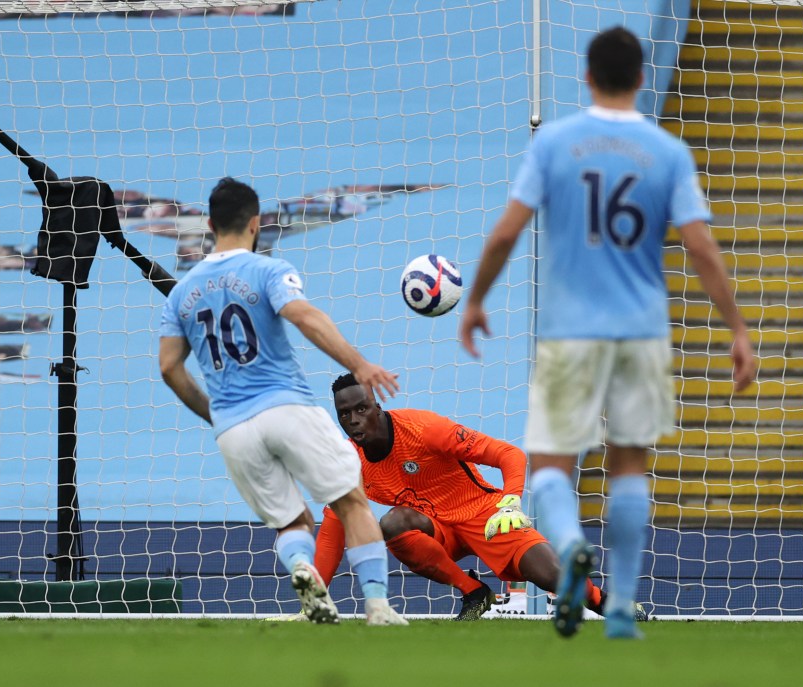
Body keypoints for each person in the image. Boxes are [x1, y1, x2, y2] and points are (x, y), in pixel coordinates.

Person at [460, 26, 757, 640]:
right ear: (642, 80)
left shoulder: (558, 145)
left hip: (571, 333)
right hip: (642, 332)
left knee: (549, 465)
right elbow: (700, 246)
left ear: (587, 77)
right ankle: (620, 607)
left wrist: (477, 301)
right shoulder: (667, 152)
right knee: (628, 467)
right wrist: (737, 329)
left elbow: (506, 232)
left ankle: (569, 548)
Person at [158, 177, 407, 626]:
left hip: (233, 429)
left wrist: (214, 412)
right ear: (256, 223)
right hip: (286, 406)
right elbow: (304, 316)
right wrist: (360, 364)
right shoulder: (268, 270)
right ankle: (377, 607)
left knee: (292, 523)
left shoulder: (180, 294)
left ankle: (300, 569)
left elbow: (169, 368)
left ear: (210, 224)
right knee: (351, 501)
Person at [313, 373, 634, 622]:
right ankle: (474, 593)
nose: (354, 420)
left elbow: (509, 454)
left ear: (377, 407)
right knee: (393, 523)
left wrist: (511, 500)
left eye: (361, 408)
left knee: (552, 577)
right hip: (439, 530)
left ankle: (602, 600)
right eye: (344, 414)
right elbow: (332, 528)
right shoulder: (348, 462)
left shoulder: (425, 430)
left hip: (486, 517)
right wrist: (315, 596)